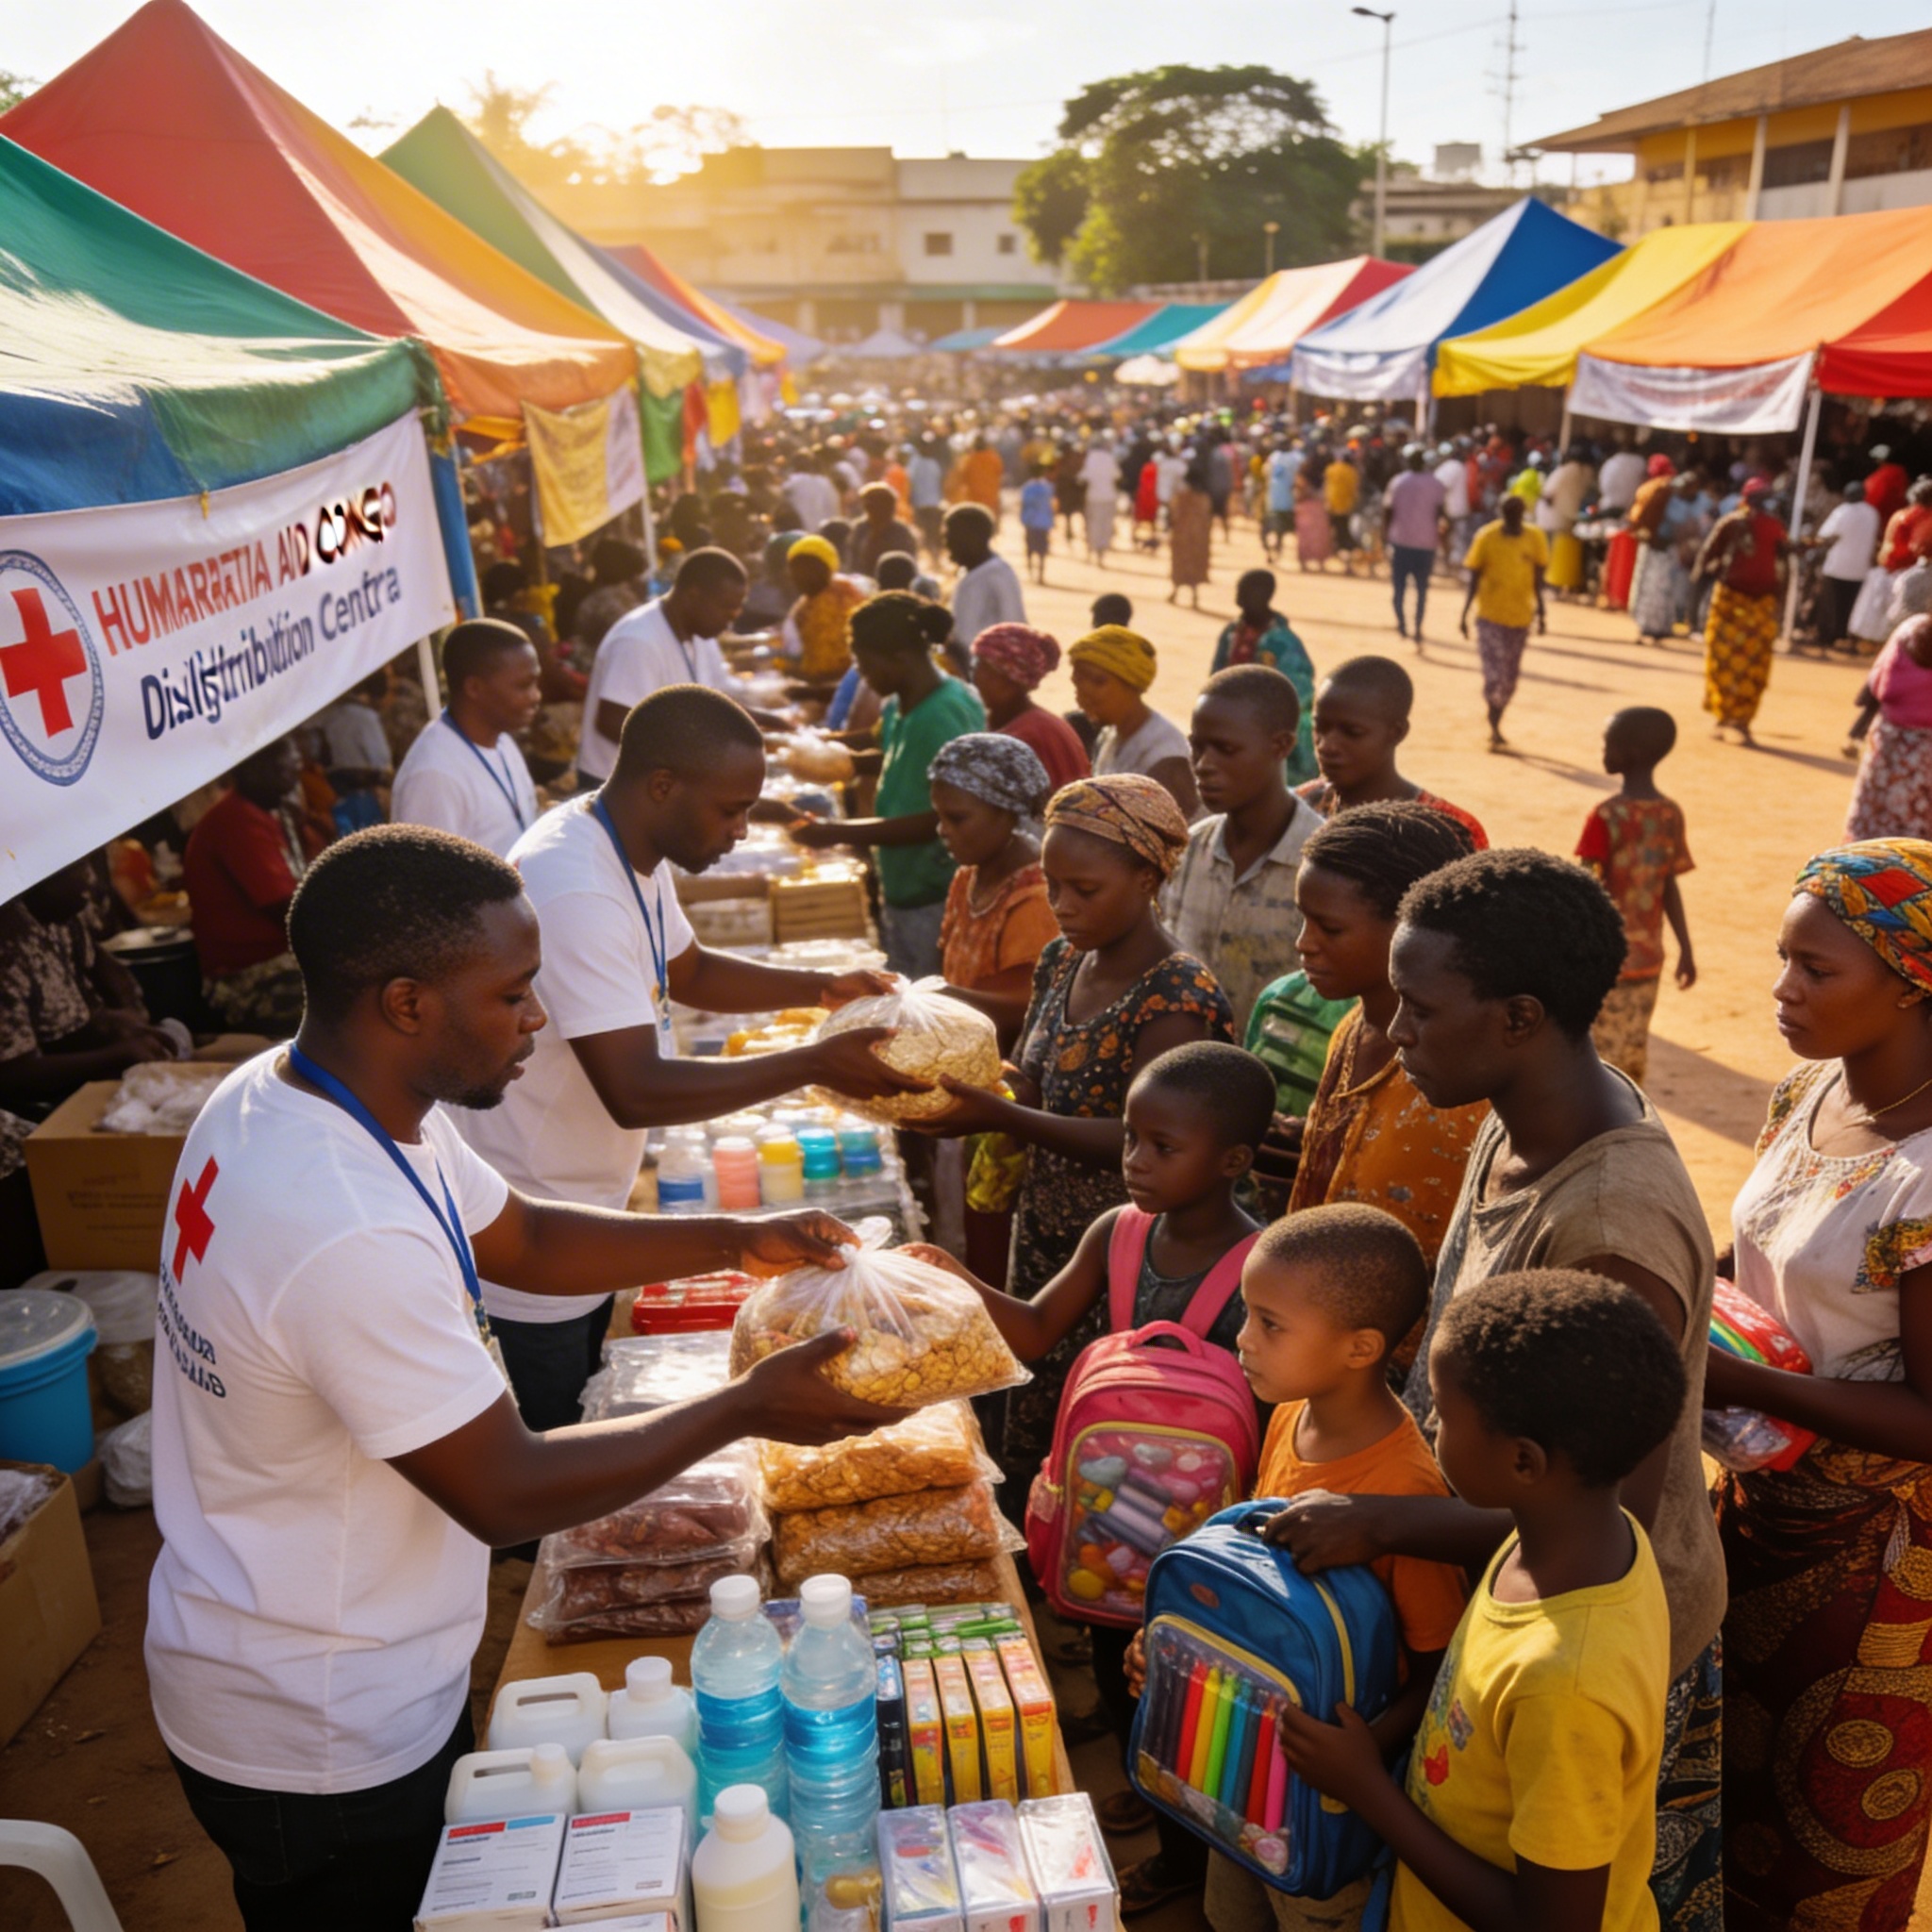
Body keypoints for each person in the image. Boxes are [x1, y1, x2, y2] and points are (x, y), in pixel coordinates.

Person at [147, 824, 903, 1929]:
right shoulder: (336, 1220)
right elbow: (503, 1488)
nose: (537, 1018)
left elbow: (526, 1240)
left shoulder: (315, 1092)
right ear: (407, 1002)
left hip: (321, 1639)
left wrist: (741, 1236)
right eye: (511, 994)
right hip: (321, 1719)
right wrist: (747, 1406)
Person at [1274, 848, 1725, 1932]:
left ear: (1519, 1016)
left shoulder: (1610, 1228)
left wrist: (1380, 1514)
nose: (1390, 1036)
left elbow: (1599, 1500)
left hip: (1584, 1632)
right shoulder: (1515, 1107)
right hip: (1502, 1573)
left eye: (1418, 1011)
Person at [456, 689, 927, 1432]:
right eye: (731, 810)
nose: (742, 830)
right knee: (554, 1458)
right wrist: (814, 1063)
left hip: (581, 1201)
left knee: (580, 1418)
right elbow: (635, 1090)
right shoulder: (574, 882)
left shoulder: (628, 847)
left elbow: (692, 969)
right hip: (534, 1222)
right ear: (663, 786)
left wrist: (823, 989)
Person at [920, 1041, 1275, 1917]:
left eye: (1164, 1147)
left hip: (1215, 1535)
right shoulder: (1116, 1233)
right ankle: (1150, 1790)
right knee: (1123, 1674)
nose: (1135, 1163)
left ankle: (1187, 1858)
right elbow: (1036, 1331)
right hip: (1113, 1531)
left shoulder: (1267, 1264)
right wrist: (951, 1277)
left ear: (1232, 1162)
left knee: (1199, 1691)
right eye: (1129, 1140)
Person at [1277, 1269, 1685, 1932]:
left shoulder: (1566, 1684)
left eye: (1443, 1408)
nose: (1430, 1419)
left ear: (1523, 1462)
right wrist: (1376, 1522)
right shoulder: (1579, 1535)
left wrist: (1368, 1791)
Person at [1709, 839, 1932, 1931]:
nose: (1781, 989)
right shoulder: (1805, 1089)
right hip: (1748, 1507)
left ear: (1909, 981)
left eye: (1815, 969)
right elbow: (1752, 1252)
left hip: (1866, 1572)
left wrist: (1724, 1373)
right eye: (1782, 958)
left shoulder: (1926, 1174)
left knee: (1826, 1840)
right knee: (1723, 1798)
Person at [917, 775, 1234, 1484]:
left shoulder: (1175, 999)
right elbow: (1039, 1076)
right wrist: (984, 1085)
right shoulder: (1064, 960)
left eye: (1084, 890)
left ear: (1147, 877)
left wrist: (1001, 1115)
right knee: (1033, 1420)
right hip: (1047, 1234)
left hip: (1122, 1259)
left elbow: (1142, 1139)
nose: (1061, 906)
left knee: (1106, 1452)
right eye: (1053, 885)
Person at [1197, 1206, 1469, 1932]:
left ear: (1360, 1348)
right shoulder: (1291, 1412)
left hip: (1325, 1799)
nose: (1242, 1340)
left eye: (1269, 1324)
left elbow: (1438, 1663)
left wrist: (1361, 1753)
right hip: (1244, 1759)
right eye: (1247, 1317)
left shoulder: (1405, 1489)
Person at [1283, 805, 1489, 1324]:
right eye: (1303, 920)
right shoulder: (1351, 1028)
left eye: (1329, 927)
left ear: (1409, 927)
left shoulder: (1459, 1085)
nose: (1304, 944)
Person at [791, 593, 987, 977]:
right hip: (903, 887)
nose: (863, 676)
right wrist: (828, 752)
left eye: (865, 665)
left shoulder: (942, 713)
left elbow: (937, 819)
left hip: (936, 893)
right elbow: (894, 752)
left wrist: (835, 833)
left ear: (900, 658)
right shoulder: (902, 703)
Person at [1162, 666, 1324, 1035]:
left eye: (1226, 749)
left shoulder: (1322, 862)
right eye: (1197, 747)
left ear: (1281, 745)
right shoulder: (1187, 851)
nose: (1203, 766)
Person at [578, 548, 777, 788]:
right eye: (726, 607)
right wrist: (691, 756)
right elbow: (613, 720)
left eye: (738, 607)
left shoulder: (699, 635)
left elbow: (714, 700)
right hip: (615, 786)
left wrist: (769, 723)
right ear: (693, 596)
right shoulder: (638, 640)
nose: (733, 616)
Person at [1576, 708, 1696, 1086]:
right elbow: (1669, 886)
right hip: (1648, 958)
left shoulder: (1606, 816)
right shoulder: (1668, 814)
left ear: (1630, 752)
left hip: (1604, 958)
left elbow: (1584, 887)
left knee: (1595, 1056)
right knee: (1631, 1052)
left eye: (1608, 744)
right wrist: (1685, 949)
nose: (1603, 751)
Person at [183, 736, 325, 1036]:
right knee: (351, 997)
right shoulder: (235, 820)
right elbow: (287, 908)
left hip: (276, 958)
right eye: (284, 767)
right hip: (243, 976)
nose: (292, 774)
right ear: (252, 770)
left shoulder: (273, 813)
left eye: (294, 765)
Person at [930, 732, 1058, 1037]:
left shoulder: (1035, 898)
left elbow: (1025, 1006)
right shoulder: (968, 878)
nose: (942, 830)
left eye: (957, 819)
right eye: (940, 817)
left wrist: (932, 1000)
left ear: (1007, 813)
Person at [1296, 658, 1488, 850]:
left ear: (1397, 733)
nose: (1326, 745)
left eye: (1352, 732)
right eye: (1319, 728)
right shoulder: (1301, 806)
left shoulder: (1449, 831)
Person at [391, 621, 542, 859]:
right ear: (474, 688)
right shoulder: (434, 776)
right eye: (524, 686)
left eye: (536, 683)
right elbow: (428, 884)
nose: (536, 696)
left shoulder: (502, 741)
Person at [1694, 477, 1788, 746]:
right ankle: (1735, 720)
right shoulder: (1763, 525)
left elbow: (1706, 557)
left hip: (1738, 601)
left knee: (1725, 658)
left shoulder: (1740, 522)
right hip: (1748, 602)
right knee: (1751, 662)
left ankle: (1729, 718)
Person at [1070, 626, 1199, 820]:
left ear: (1131, 683)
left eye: (1098, 682)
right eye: (1077, 682)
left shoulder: (1165, 756)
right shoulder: (1111, 735)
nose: (1083, 694)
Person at [1210, 570, 1317, 784]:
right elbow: (1216, 674)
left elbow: (1300, 690)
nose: (1238, 599)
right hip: (1230, 721)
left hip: (1267, 727)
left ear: (1265, 595)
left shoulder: (1282, 642)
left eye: (1245, 592)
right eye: (1238, 591)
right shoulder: (1232, 632)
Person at [1459, 493, 1548, 748]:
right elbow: (1474, 578)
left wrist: (1542, 614)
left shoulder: (1535, 538)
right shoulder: (1486, 537)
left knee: (1509, 677)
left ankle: (1497, 716)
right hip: (1489, 616)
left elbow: (1539, 581)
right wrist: (1464, 614)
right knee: (1494, 674)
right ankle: (1494, 724)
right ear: (1501, 513)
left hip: (1521, 618)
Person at [970, 623, 1091, 794]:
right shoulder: (1024, 723)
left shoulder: (1029, 737)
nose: (975, 678)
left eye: (983, 669)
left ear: (1009, 678)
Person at [1846, 610, 1932, 841]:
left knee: (1873, 821)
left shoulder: (1911, 629)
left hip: (1889, 740)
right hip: (1927, 755)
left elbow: (1878, 683)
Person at [945, 503, 1027, 663]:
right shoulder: (965, 574)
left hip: (989, 673)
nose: (947, 545)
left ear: (970, 539)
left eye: (951, 538)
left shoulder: (999, 574)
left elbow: (1016, 629)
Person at [780, 534, 866, 686]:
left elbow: (832, 670)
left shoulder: (836, 601)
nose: (798, 577)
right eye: (795, 570)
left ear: (826, 570)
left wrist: (787, 671)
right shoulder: (807, 603)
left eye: (807, 570)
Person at [313, 672, 393, 830]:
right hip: (364, 797)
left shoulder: (323, 716)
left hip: (332, 795)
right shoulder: (366, 717)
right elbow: (381, 761)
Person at [1810, 477, 1881, 652]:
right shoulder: (1872, 513)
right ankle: (1845, 638)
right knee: (1851, 605)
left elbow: (1827, 536)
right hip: (1860, 568)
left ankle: (1827, 637)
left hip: (1837, 566)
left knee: (1831, 605)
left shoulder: (1842, 512)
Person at [1386, 447, 1446, 645]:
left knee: (1399, 589)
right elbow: (1440, 514)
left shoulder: (1398, 482)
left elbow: (1388, 511)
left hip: (1401, 542)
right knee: (1421, 590)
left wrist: (1384, 536)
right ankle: (1418, 627)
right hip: (1426, 544)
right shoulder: (1436, 484)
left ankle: (1402, 625)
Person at [1628, 457, 1690, 647]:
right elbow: (1676, 519)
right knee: (1660, 588)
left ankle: (1644, 625)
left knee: (1646, 586)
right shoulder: (1666, 489)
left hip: (1648, 543)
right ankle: (1654, 628)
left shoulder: (1649, 487)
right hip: (1662, 546)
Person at [1168, 454, 1213, 607]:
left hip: (1182, 535)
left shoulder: (1181, 497)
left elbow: (1174, 514)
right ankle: (1194, 596)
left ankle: (1175, 592)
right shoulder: (1204, 498)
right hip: (1199, 537)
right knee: (1195, 564)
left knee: (1180, 564)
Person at [853, 481, 918, 579]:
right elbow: (853, 562)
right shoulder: (860, 529)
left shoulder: (901, 533)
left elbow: (908, 564)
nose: (869, 510)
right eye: (867, 506)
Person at [908, 438, 947, 560]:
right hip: (933, 502)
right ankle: (934, 555)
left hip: (921, 502)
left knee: (927, 530)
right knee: (933, 530)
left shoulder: (914, 463)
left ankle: (932, 555)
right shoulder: (933, 464)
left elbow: (910, 481)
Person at [1081, 438, 1120, 561]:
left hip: (1094, 497)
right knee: (1106, 524)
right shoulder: (1109, 458)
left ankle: (1093, 549)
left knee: (1094, 524)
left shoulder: (1090, 458)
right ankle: (1101, 552)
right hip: (1109, 496)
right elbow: (1117, 475)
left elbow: (1084, 475)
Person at [1324, 446, 1360, 572]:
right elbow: (1355, 491)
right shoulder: (1352, 472)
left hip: (1331, 506)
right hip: (1346, 508)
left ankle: (1334, 558)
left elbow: (1326, 486)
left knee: (1333, 534)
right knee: (1345, 536)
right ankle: (1347, 564)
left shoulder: (1331, 469)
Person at [1020, 464, 1057, 585]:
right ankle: (1040, 575)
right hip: (1043, 522)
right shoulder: (1047, 487)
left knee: (1030, 548)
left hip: (1030, 521)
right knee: (1042, 550)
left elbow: (1024, 504)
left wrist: (1023, 519)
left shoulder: (1027, 488)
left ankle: (1030, 571)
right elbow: (1051, 505)